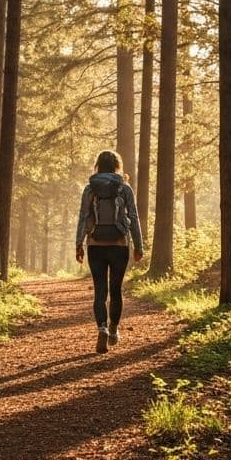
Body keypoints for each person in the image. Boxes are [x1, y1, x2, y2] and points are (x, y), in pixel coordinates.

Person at [74, 150, 145, 354]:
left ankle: (102, 328)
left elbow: (82, 217)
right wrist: (139, 246)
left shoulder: (90, 189)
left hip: (95, 245)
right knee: (116, 290)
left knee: (100, 291)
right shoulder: (124, 188)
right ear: (116, 165)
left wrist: (78, 244)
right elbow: (134, 217)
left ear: (98, 165)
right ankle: (114, 330)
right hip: (119, 244)